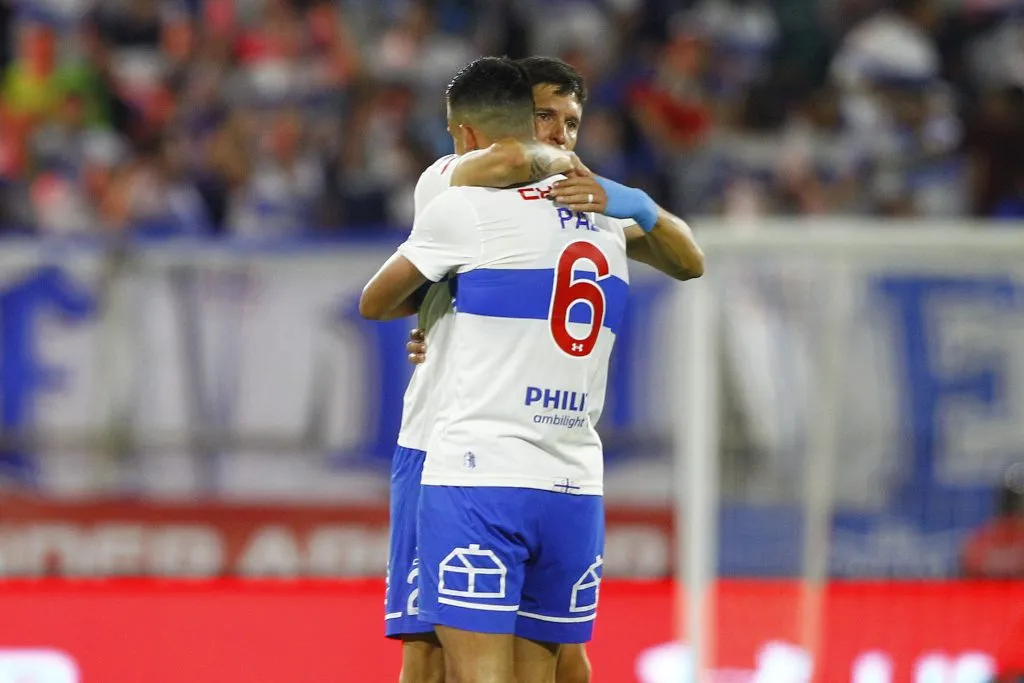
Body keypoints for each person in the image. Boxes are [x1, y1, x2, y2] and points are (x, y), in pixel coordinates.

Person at [361, 56, 701, 683]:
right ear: (511, 120)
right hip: (441, 437)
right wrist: (435, 314)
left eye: (572, 123)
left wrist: (632, 202)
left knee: (547, 657)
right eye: (545, 117)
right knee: (428, 649)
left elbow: (689, 260)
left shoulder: (591, 212)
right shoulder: (450, 182)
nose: (559, 134)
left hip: (506, 454)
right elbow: (510, 162)